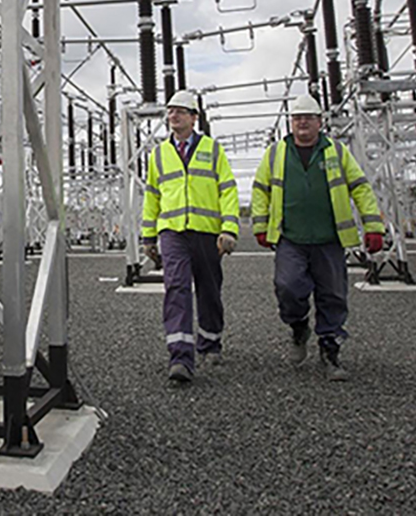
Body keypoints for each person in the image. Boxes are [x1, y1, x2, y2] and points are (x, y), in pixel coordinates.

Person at [250, 93, 385, 381]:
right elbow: (260, 189)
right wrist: (260, 226)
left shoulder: (335, 151)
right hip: (290, 238)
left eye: (308, 118)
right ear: (291, 122)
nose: (302, 124)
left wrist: (373, 226)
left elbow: (359, 186)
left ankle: (330, 350)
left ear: (319, 122)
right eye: (298, 118)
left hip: (329, 238)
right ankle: (298, 327)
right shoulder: (276, 154)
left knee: (333, 295)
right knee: (287, 287)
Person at [142, 89, 240, 383]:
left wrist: (229, 228)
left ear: (194, 117)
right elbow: (152, 197)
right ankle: (181, 357)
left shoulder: (212, 149)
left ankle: (210, 342)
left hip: (207, 233)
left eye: (180, 111)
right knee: (177, 288)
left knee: (209, 289)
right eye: (170, 111)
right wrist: (148, 237)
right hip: (173, 233)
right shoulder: (158, 154)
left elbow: (228, 189)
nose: (173, 116)